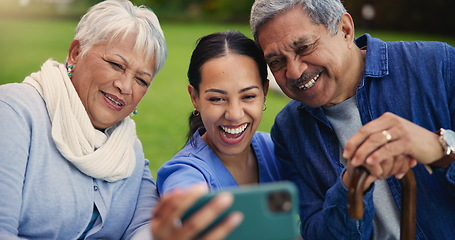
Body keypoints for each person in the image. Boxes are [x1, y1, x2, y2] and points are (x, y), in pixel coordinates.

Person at [0, 1, 241, 239]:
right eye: (116, 65)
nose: (125, 86)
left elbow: (146, 227)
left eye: (141, 80)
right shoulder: (14, 112)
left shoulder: (128, 149)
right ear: (76, 53)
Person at [250, 0, 455, 239]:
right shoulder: (288, 129)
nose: (294, 72)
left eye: (304, 47)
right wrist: (351, 185)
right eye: (276, 62)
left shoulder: (439, 65)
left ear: (345, 30)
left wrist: (440, 149)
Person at [156, 31, 282, 195]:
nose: (234, 114)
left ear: (264, 92)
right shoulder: (184, 171)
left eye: (248, 96)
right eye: (217, 99)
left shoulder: (277, 150)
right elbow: (182, 193)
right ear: (195, 97)